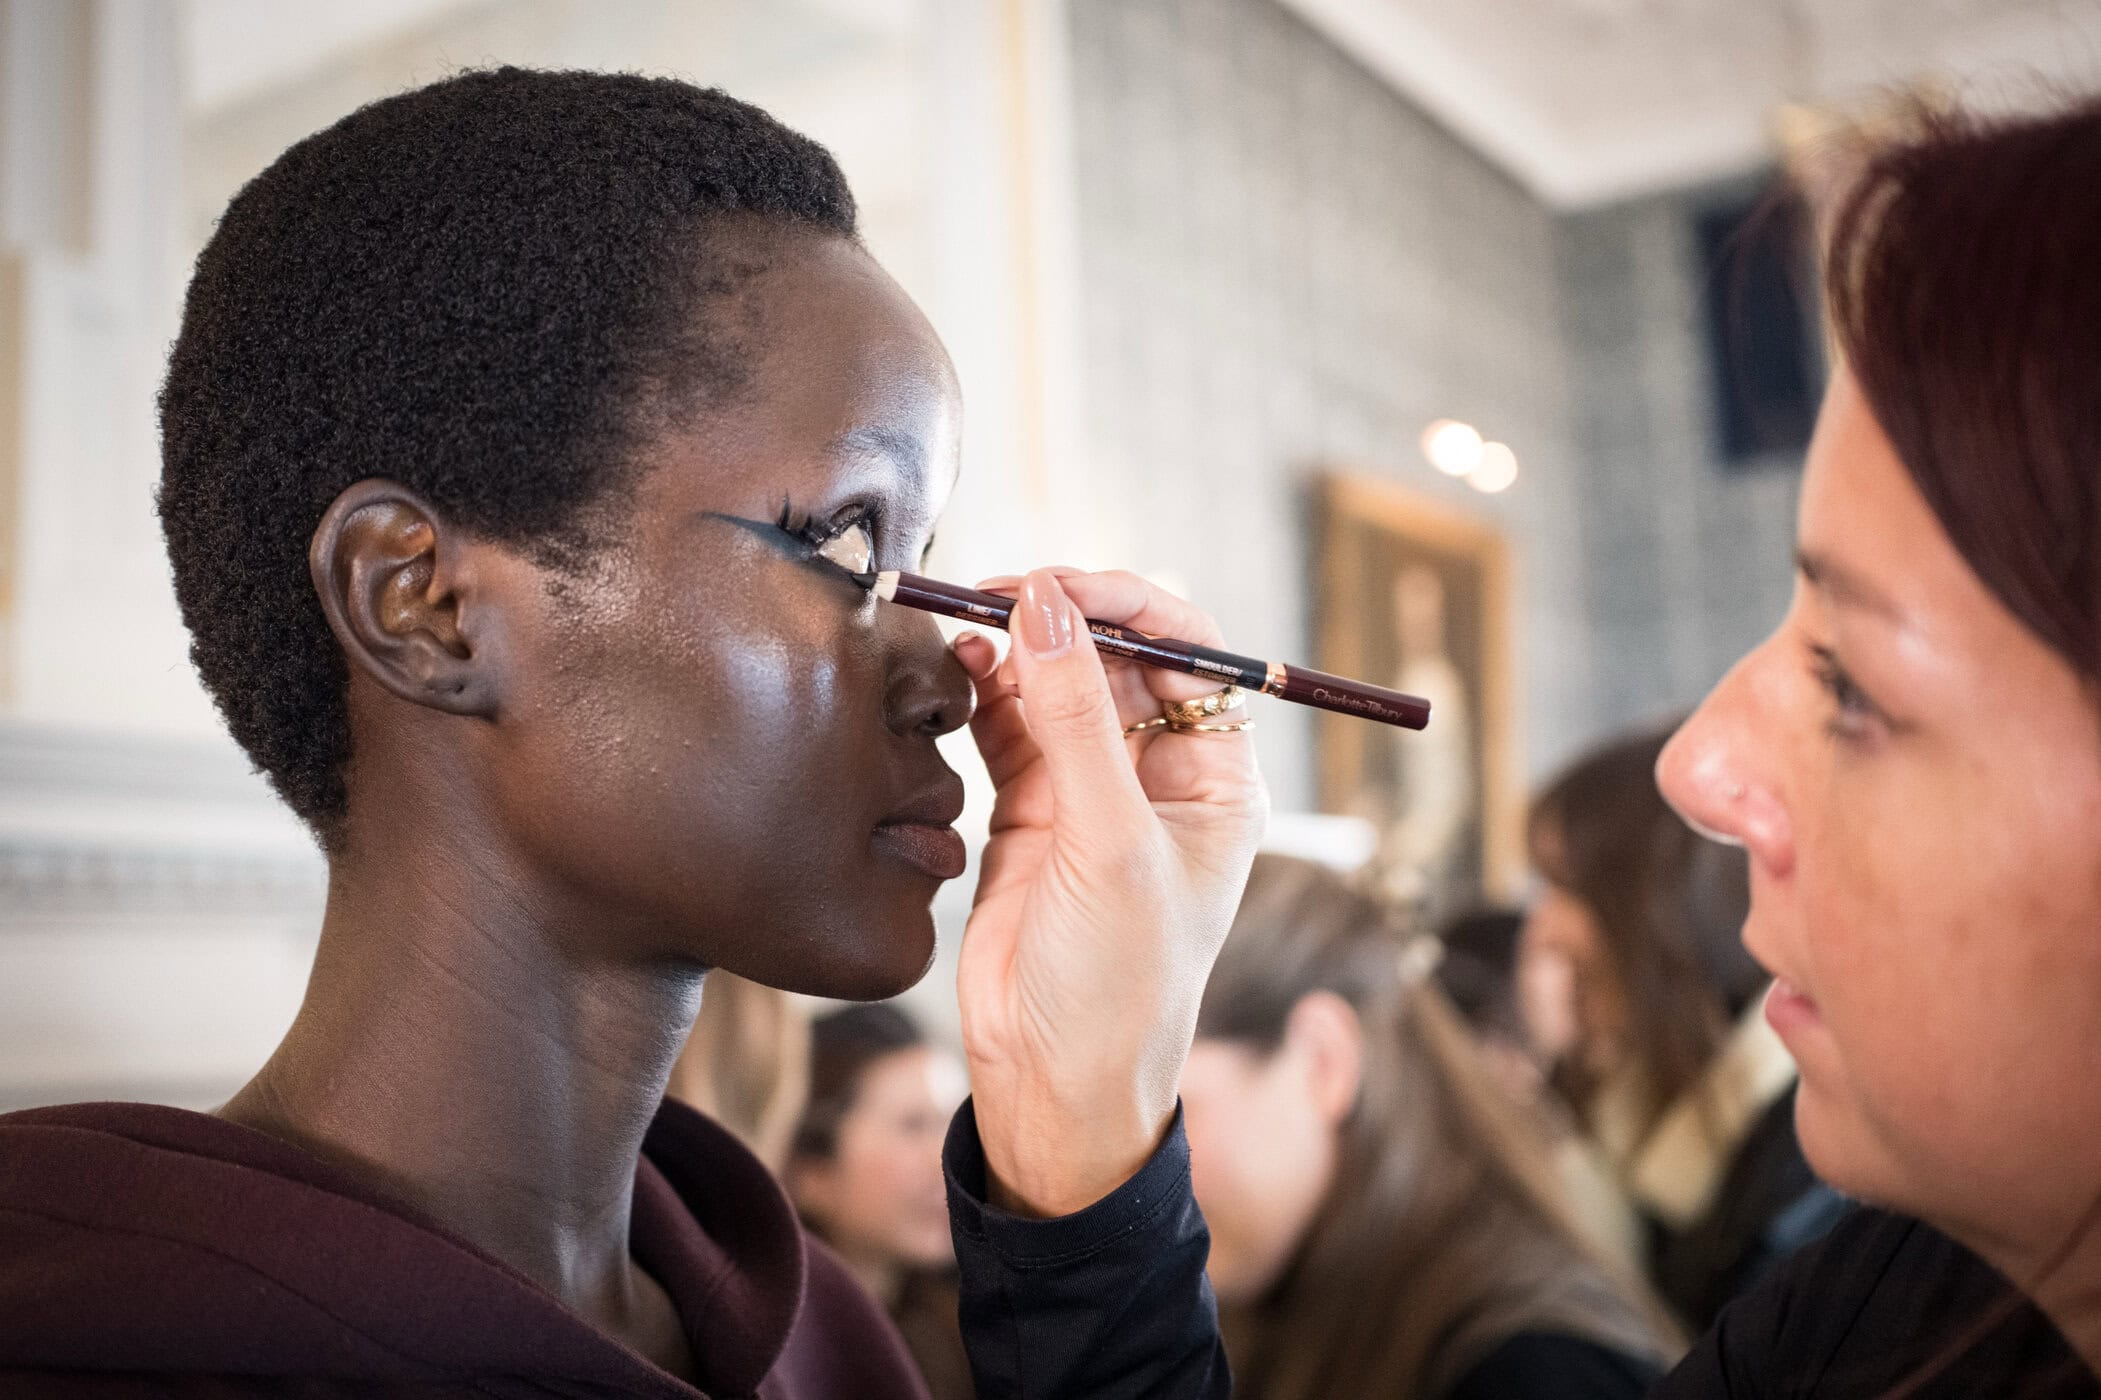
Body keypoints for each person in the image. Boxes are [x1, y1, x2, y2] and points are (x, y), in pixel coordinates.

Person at [0, 68, 1267, 1397]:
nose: (950, 678)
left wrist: (1082, 1180)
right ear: (424, 607)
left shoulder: (831, 1346)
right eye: (843, 540)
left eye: (926, 561)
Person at [848, 93, 2101, 1399]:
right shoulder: (1911, 1313)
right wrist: (1072, 1119)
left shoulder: (1538, 1351)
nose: (1698, 766)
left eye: (1848, 679)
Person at [1179, 854, 1679, 1399]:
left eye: (1168, 1116)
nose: (1121, 1174)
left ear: (1323, 1059)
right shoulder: (1281, 1307)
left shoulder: (1532, 1366)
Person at [1522, 727, 1844, 1327]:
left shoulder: (1809, 1164)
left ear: (1668, 904)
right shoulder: (1653, 1139)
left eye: (1566, 888)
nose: (1542, 929)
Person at [788, 1005, 972, 1400]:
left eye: (953, 1123)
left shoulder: (971, 1329)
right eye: (912, 1126)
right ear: (809, 1171)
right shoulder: (764, 1352)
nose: (949, 1158)